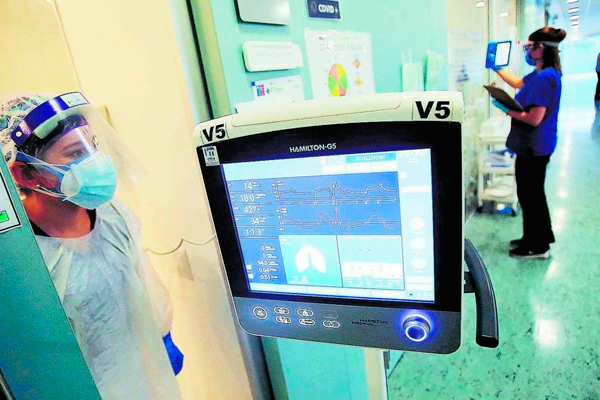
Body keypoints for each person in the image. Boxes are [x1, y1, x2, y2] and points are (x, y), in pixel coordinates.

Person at [0, 93, 184, 399]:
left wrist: (163, 335)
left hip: (140, 379)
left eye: (92, 144)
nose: (93, 160)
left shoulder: (113, 215)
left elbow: (144, 284)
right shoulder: (19, 255)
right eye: (75, 152)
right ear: (26, 173)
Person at [487, 27, 567, 259]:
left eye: (529, 47)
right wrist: (496, 67)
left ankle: (538, 246)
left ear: (541, 48)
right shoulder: (543, 73)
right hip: (535, 145)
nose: (527, 52)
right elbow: (517, 82)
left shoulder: (544, 78)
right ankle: (533, 238)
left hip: (535, 146)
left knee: (531, 196)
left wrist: (506, 109)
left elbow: (534, 119)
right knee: (530, 194)